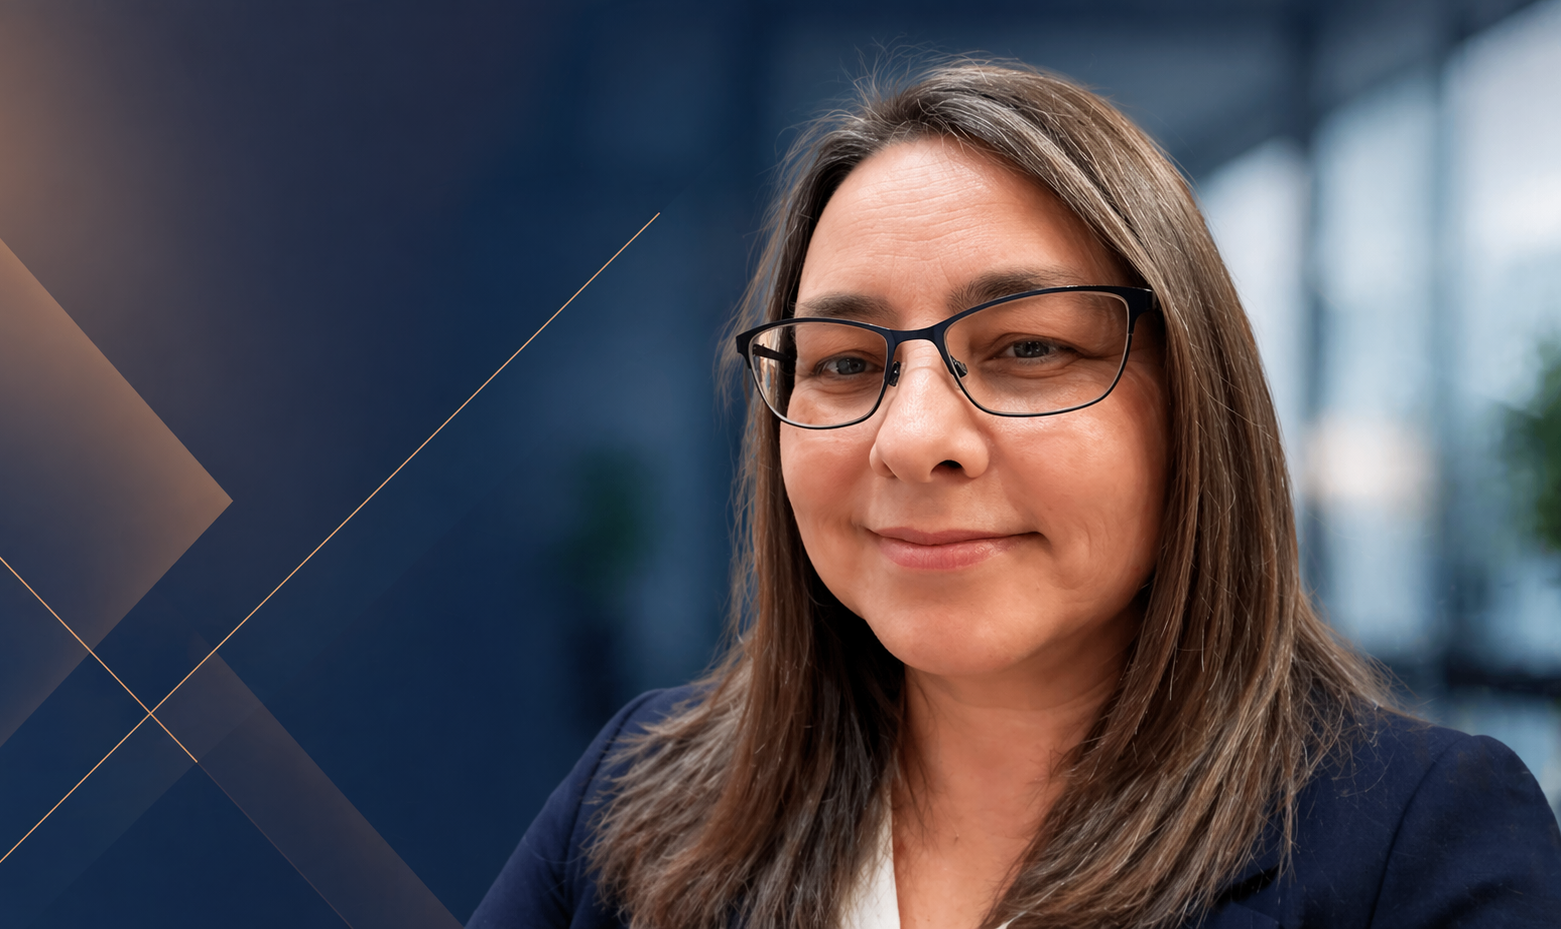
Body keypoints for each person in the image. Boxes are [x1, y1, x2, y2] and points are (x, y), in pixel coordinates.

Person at [469, 59, 1561, 929]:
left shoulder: (1421, 840)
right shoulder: (639, 790)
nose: (914, 439)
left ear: (1194, 402)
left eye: (1027, 346)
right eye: (845, 362)